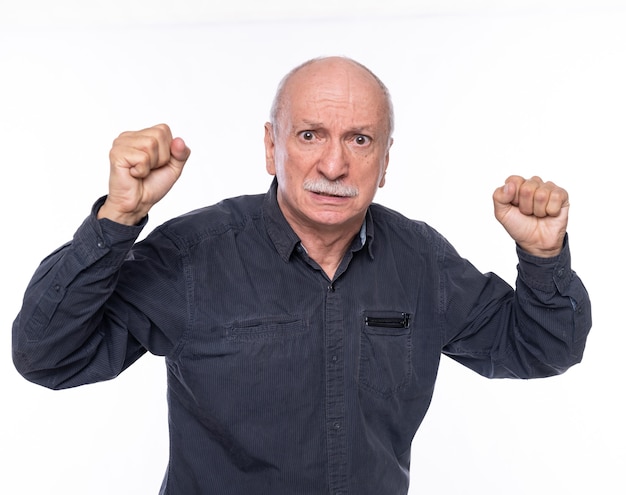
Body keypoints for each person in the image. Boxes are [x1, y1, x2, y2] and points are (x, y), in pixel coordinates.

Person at [12, 56, 591, 495]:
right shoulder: (195, 253)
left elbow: (540, 349)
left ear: (386, 161)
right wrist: (118, 218)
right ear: (271, 147)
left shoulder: (420, 260)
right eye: (309, 134)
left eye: (359, 140)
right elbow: (47, 355)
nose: (333, 165)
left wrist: (543, 257)